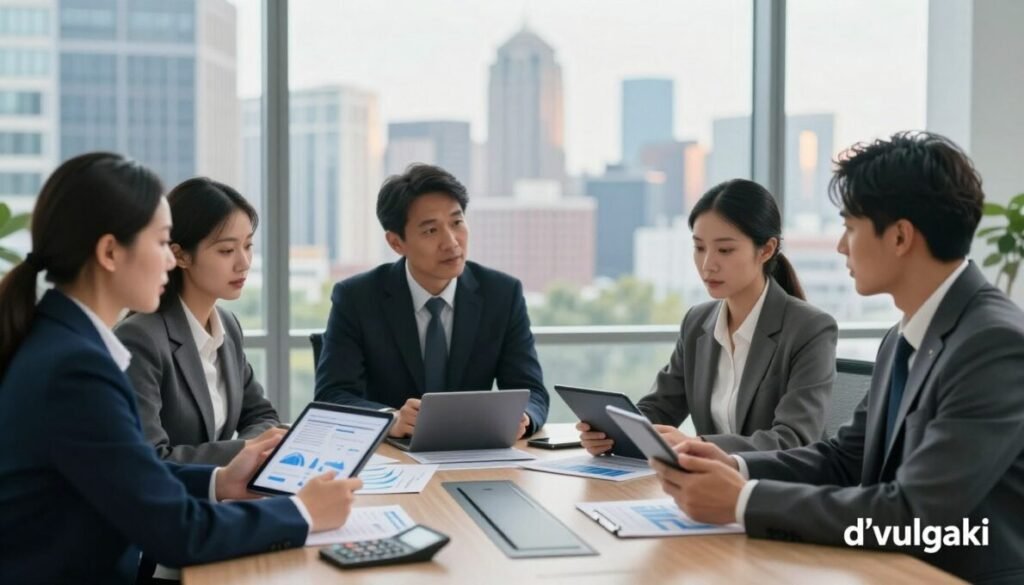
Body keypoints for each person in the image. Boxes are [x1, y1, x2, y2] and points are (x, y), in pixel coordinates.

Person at [651, 132, 1024, 584]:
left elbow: (913, 514)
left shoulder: (993, 344)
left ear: (901, 236)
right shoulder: (903, 337)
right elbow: (845, 459)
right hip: (881, 567)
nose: (841, 247)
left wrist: (742, 501)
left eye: (849, 227)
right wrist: (733, 465)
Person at [0, 152, 361, 585]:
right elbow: (175, 531)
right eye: (160, 243)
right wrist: (303, 512)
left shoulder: (63, 343)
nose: (170, 260)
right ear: (111, 252)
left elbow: (129, 474)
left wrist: (221, 481)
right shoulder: (76, 368)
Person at [579, 179, 837, 454]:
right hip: (709, 488)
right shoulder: (698, 323)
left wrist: (698, 445)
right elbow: (660, 408)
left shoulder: (810, 329)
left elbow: (793, 440)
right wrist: (616, 433)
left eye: (725, 250)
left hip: (777, 490)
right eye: (700, 247)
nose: (707, 264)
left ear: (766, 249)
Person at [314, 163, 549, 439]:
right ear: (396, 243)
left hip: (474, 453)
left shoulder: (502, 294)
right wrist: (390, 419)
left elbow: (531, 391)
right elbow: (333, 394)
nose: (451, 242)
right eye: (430, 231)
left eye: (456, 222)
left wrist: (524, 417)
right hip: (391, 457)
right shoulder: (357, 298)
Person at [116, 178, 279, 466]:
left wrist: (252, 447)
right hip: (176, 504)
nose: (244, 262)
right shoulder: (140, 338)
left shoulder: (227, 326)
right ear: (180, 255)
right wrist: (247, 451)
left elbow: (263, 416)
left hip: (225, 495)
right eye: (226, 251)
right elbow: (150, 459)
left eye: (248, 246)